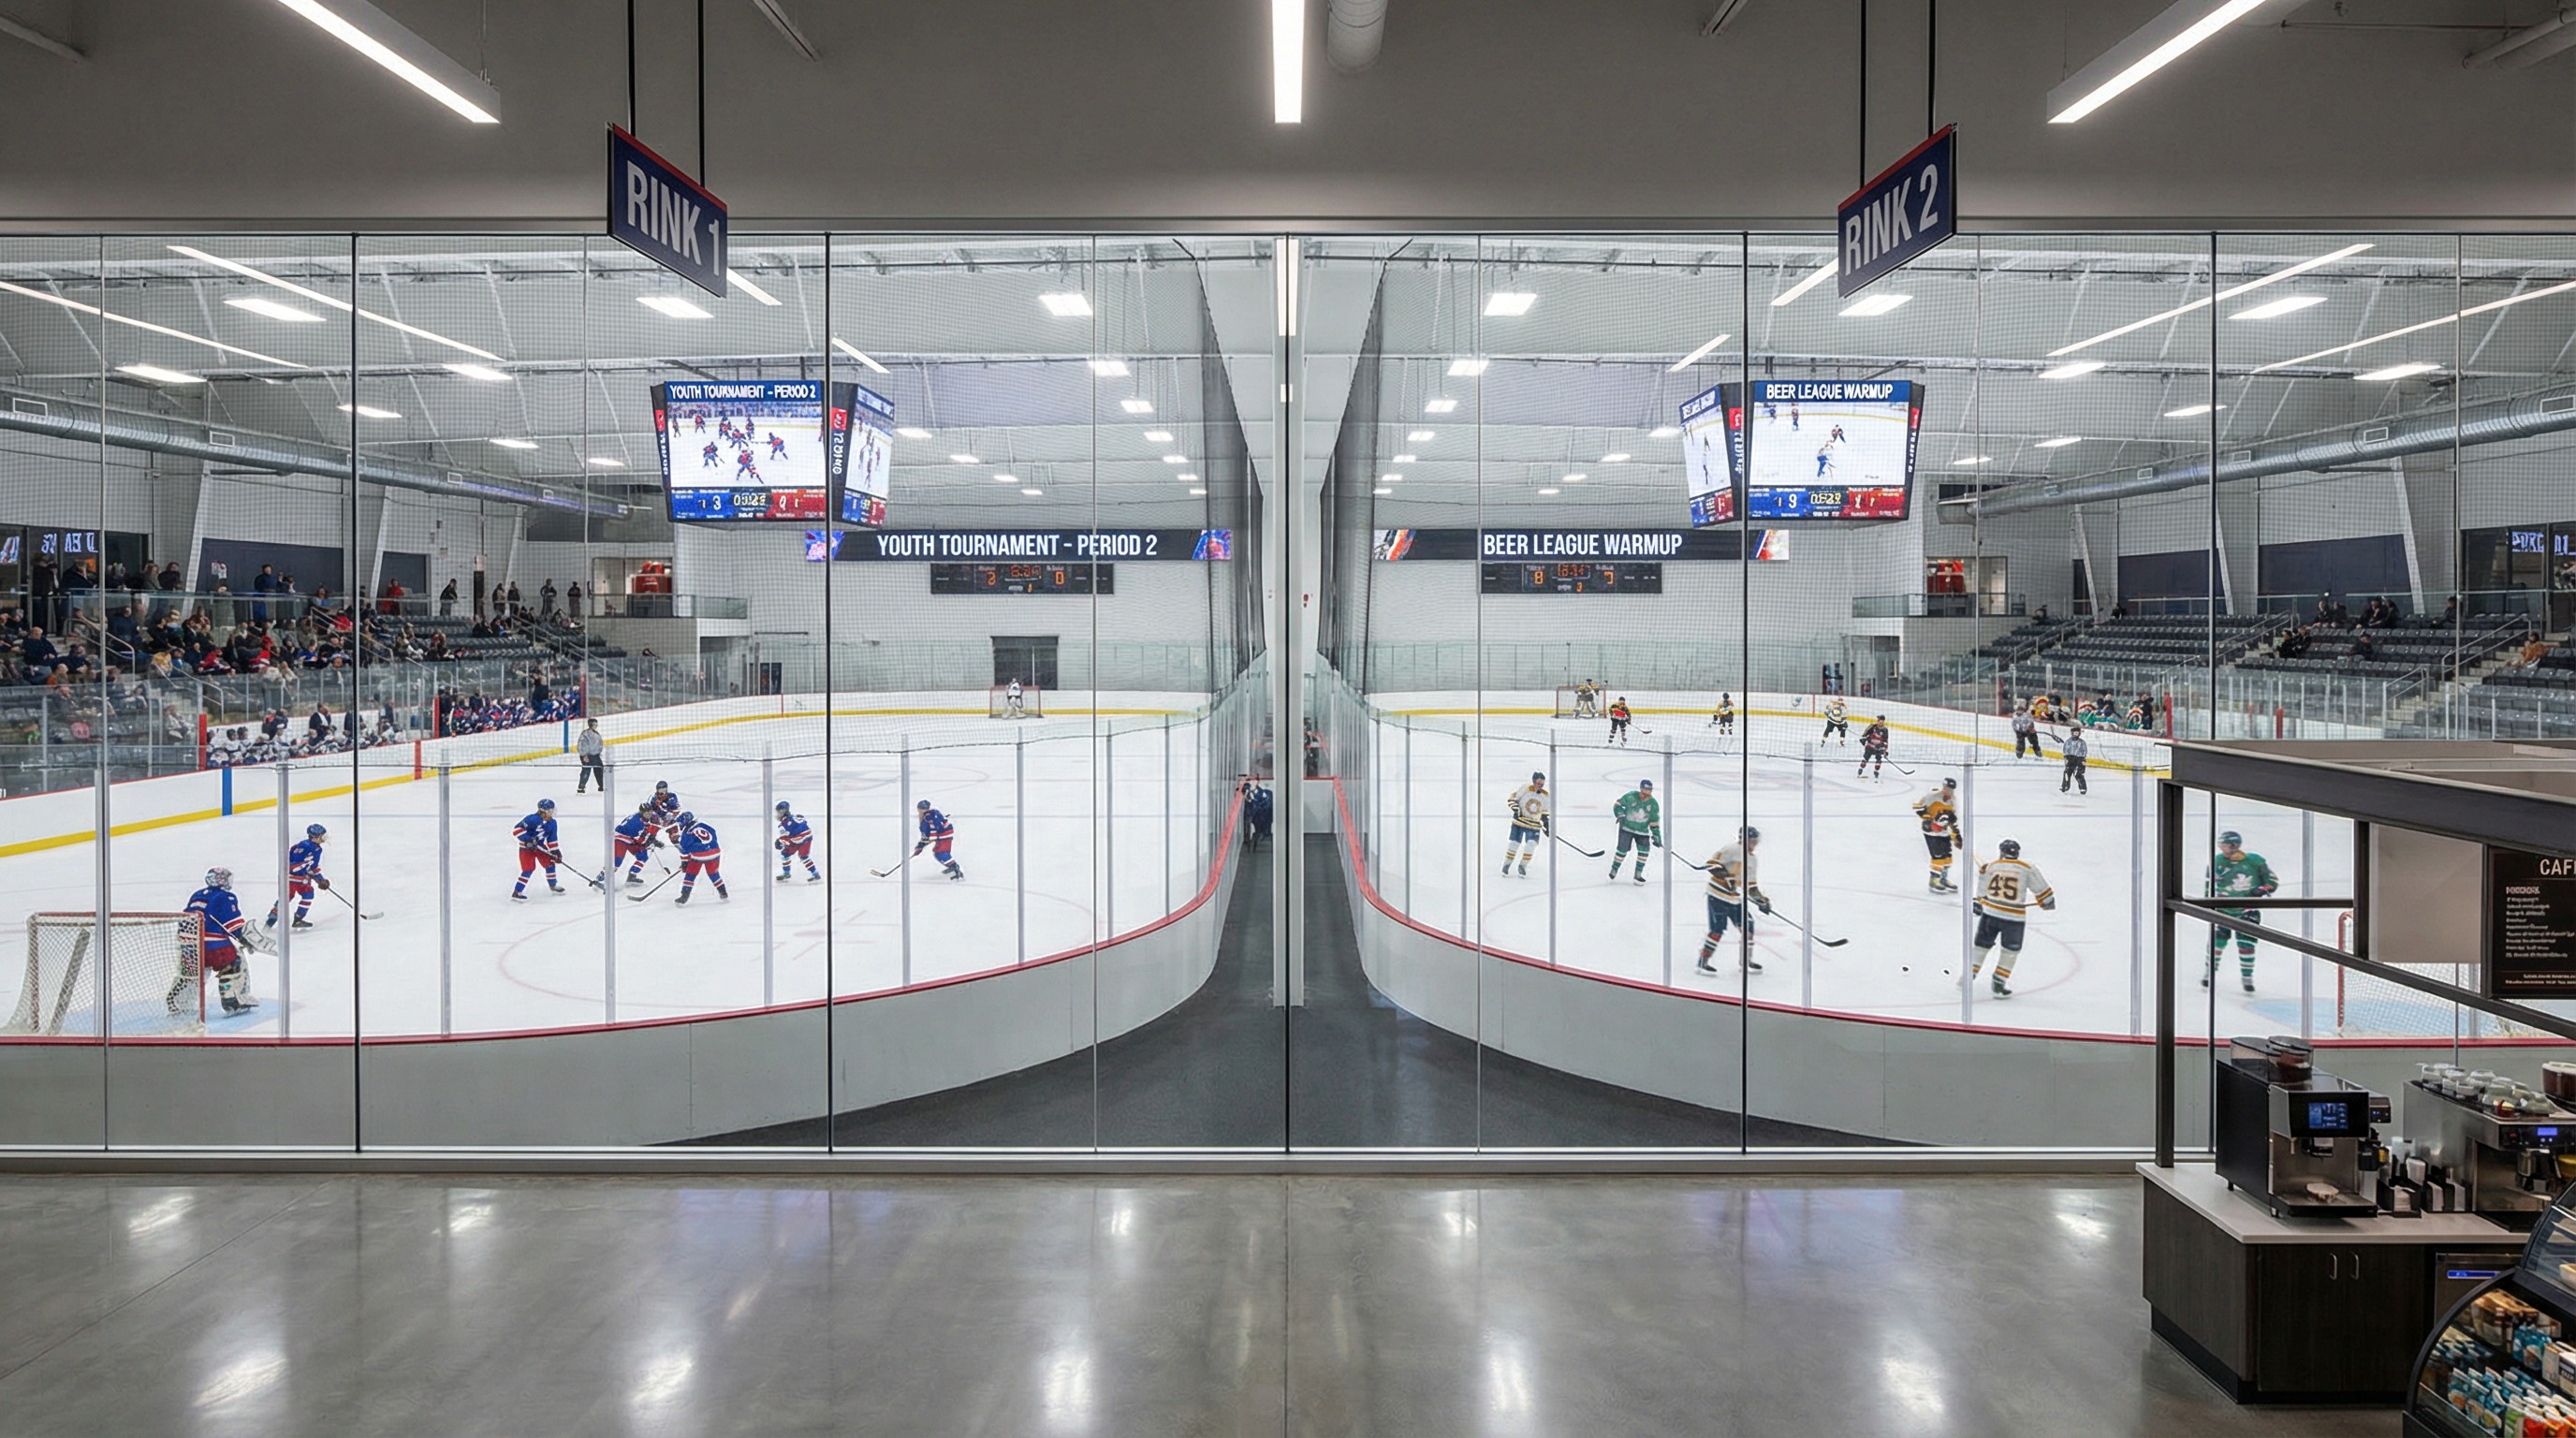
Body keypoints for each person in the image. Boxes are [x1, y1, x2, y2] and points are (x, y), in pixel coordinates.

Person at [1970, 838, 2056, 999]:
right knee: (2010, 950)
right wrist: (2046, 902)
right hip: (2014, 919)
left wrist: (1978, 903)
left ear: (2001, 852)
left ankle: (1969, 974)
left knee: (1981, 946)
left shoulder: (1990, 866)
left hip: (1990, 913)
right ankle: (1999, 982)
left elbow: (1981, 892)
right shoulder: (2028, 868)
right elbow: (2044, 893)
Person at [179, 866, 265, 1016]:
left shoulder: (197, 894)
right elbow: (233, 924)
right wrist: (245, 939)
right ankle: (233, 1000)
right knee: (233, 963)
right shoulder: (226, 897)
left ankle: (180, 1002)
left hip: (189, 944)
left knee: (195, 971)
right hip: (213, 945)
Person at [2206, 829, 2279, 992]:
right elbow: (2208, 885)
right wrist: (2207, 904)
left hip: (2247, 909)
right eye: (2221, 844)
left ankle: (2247, 977)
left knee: (2246, 943)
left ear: (2234, 845)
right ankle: (2209, 973)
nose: (2222, 848)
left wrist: (2263, 889)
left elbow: (2272, 880)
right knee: (2218, 941)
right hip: (2223, 909)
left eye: (2225, 844)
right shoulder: (2217, 862)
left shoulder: (2253, 861)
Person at [1693, 826, 1768, 976]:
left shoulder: (1753, 859)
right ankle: (1703, 962)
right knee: (1717, 930)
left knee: (1748, 926)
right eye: (1752, 841)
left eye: (1756, 841)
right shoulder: (1732, 849)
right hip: (1717, 896)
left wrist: (1761, 900)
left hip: (1735, 900)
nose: (1754, 844)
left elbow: (1751, 885)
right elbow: (1712, 863)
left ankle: (1746, 961)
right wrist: (1724, 876)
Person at [265, 823, 329, 931]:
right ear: (314, 837)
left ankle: (298, 919)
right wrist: (303, 867)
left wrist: (321, 880)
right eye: (321, 835)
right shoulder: (303, 846)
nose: (323, 838)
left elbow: (313, 867)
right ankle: (269, 923)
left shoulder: (318, 849)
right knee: (285, 899)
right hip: (290, 879)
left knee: (308, 894)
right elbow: (292, 865)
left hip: (302, 880)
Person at [1912, 777, 1962, 893]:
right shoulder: (1932, 796)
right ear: (1943, 787)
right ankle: (1934, 880)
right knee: (1938, 856)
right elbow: (1918, 807)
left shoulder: (1953, 801)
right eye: (1947, 789)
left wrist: (1956, 836)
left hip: (1944, 833)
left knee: (1947, 857)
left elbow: (1952, 821)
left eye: (1951, 789)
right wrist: (1928, 822)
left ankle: (1943, 879)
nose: (1949, 791)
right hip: (1932, 833)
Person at [511, 799, 565, 900]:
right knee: (528, 869)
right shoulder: (532, 819)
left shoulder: (553, 823)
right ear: (542, 812)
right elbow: (516, 830)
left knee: (550, 864)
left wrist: (555, 852)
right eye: (550, 811)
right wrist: (528, 840)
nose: (552, 813)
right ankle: (517, 892)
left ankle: (553, 886)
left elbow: (552, 839)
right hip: (526, 849)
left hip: (540, 848)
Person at [1608, 778, 1660, 885]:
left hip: (1642, 831)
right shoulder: (1631, 796)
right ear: (1641, 789)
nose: (1647, 792)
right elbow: (1618, 804)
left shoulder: (1653, 804)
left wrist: (1657, 836)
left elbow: (1654, 822)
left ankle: (1638, 875)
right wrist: (1620, 814)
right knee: (1622, 850)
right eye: (1645, 789)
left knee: (1644, 851)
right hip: (1627, 827)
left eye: (1649, 790)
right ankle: (1614, 869)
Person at [1500, 770, 1550, 877]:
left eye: (1542, 783)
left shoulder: (1545, 796)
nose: (1540, 785)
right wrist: (1516, 810)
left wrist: (1546, 824)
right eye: (1538, 783)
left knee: (1531, 844)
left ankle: (1522, 866)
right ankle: (1507, 864)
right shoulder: (1525, 788)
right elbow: (1513, 799)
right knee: (1514, 843)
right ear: (1533, 781)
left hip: (1534, 825)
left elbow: (1545, 813)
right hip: (1519, 822)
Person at [673, 812, 729, 904]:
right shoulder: (703, 825)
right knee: (713, 874)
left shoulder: (687, 832)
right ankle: (723, 892)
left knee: (690, 875)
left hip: (699, 856)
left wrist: (685, 862)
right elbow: (713, 833)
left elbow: (684, 848)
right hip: (715, 852)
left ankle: (684, 896)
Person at [914, 800, 963, 880]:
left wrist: (921, 844)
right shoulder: (934, 812)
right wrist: (922, 843)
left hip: (944, 835)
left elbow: (928, 831)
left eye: (920, 809)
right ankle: (951, 865)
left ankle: (955, 868)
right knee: (942, 852)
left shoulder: (927, 817)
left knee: (940, 853)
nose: (919, 811)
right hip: (946, 834)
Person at [613, 801, 661, 887]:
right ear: (642, 812)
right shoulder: (636, 823)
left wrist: (652, 840)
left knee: (643, 856)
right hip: (621, 838)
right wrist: (650, 842)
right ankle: (602, 878)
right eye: (647, 813)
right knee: (617, 861)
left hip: (631, 839)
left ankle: (632, 875)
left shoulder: (643, 818)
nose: (649, 814)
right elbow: (639, 840)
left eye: (650, 811)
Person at [775, 800, 820, 883]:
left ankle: (787, 873)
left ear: (783, 811)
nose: (778, 814)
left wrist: (780, 841)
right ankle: (814, 873)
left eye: (779, 812)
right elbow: (803, 820)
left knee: (791, 854)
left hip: (799, 839)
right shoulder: (796, 816)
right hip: (806, 836)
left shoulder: (784, 824)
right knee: (796, 855)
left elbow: (787, 838)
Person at [575, 718, 606, 793]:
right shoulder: (585, 734)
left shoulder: (596, 733)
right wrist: (584, 755)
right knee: (586, 771)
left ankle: (602, 786)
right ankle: (581, 787)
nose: (596, 725)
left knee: (599, 770)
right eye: (594, 724)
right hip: (588, 756)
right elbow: (582, 745)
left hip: (595, 756)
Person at [2059, 726, 2090, 796]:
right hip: (2070, 759)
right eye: (2075, 733)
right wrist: (2067, 758)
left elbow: (2084, 752)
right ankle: (2065, 786)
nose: (2076, 734)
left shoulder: (2082, 742)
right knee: (2067, 772)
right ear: (2072, 733)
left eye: (2077, 733)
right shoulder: (2068, 742)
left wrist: (2082, 759)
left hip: (2080, 759)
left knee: (2078, 774)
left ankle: (2083, 788)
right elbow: (2065, 751)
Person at [1858, 715, 1891, 779]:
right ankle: (1860, 770)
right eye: (1878, 720)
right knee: (1865, 759)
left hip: (1878, 748)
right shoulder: (1872, 727)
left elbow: (1885, 740)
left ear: (1883, 721)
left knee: (1878, 760)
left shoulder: (1885, 730)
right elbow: (1865, 734)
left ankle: (1876, 772)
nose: (1878, 722)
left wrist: (1885, 750)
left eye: (1880, 720)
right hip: (1870, 746)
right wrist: (1864, 739)